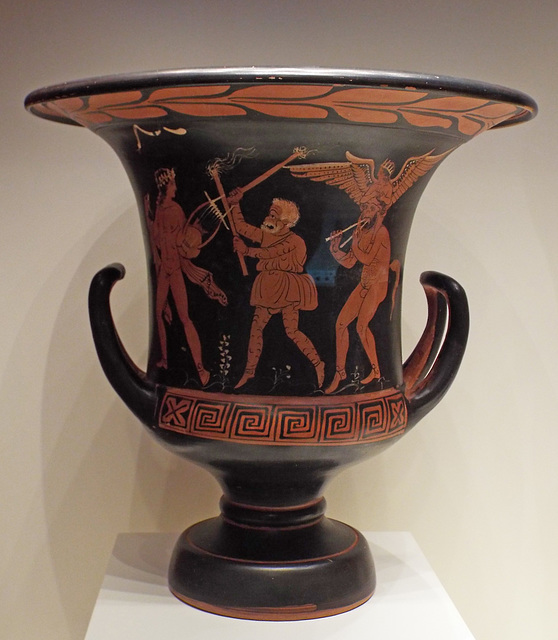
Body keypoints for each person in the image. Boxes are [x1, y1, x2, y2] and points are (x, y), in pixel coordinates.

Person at [228, 189, 324, 389]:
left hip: (287, 288)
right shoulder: (267, 234)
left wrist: (247, 251)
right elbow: (242, 228)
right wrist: (235, 204)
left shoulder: (294, 241)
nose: (268, 217)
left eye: (274, 215)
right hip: (268, 286)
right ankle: (249, 372)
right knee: (256, 328)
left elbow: (271, 253)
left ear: (286, 222)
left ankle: (318, 363)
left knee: (292, 331)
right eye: (270, 213)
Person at [145, 168, 211, 384]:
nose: (176, 188)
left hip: (173, 270)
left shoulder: (174, 209)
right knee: (158, 313)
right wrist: (148, 214)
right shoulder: (164, 210)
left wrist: (195, 235)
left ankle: (201, 370)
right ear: (167, 187)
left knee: (184, 318)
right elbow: (158, 240)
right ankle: (164, 359)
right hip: (166, 269)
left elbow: (184, 245)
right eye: (173, 184)